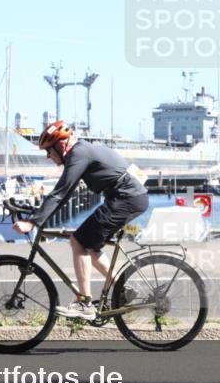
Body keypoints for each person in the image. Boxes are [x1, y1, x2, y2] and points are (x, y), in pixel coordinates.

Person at [13, 121, 149, 320]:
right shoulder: (82, 151)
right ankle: (122, 288)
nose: (48, 157)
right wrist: (37, 212)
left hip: (126, 197)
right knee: (91, 246)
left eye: (48, 151)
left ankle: (84, 303)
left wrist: (33, 222)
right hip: (128, 197)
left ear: (60, 145)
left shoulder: (79, 154)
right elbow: (64, 194)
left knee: (79, 242)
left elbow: (60, 193)